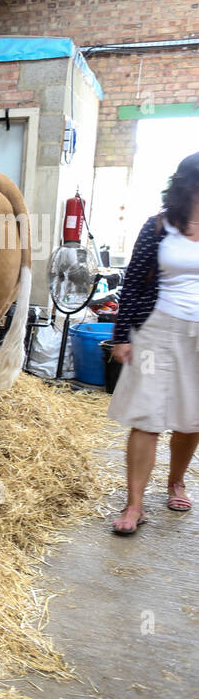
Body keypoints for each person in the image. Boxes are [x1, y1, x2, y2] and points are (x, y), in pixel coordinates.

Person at [108, 151, 199, 535]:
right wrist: (121, 337)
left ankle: (176, 481)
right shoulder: (159, 226)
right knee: (146, 417)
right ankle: (135, 505)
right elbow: (131, 284)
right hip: (155, 331)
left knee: (192, 419)